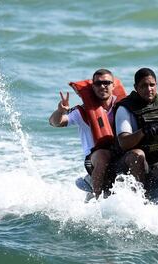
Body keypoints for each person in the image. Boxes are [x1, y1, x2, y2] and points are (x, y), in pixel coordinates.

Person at [49, 69, 120, 199]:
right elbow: (56, 122)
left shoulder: (123, 106)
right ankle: (97, 199)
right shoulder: (82, 111)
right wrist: (60, 112)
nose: (102, 86)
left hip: (119, 153)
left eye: (106, 82)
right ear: (93, 87)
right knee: (103, 156)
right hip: (95, 159)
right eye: (98, 84)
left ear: (113, 85)